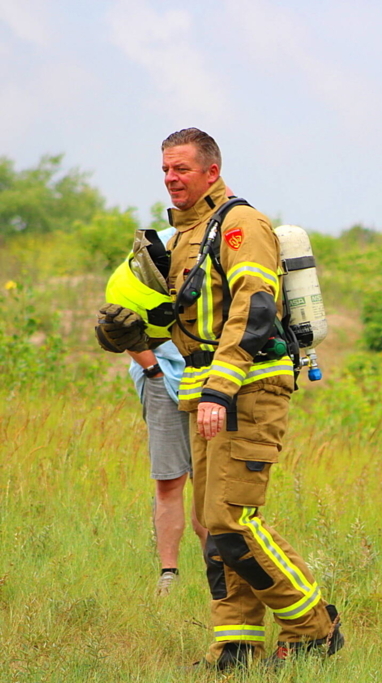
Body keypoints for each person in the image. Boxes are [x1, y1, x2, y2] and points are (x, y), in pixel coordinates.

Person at [98, 127, 342, 670]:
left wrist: (221, 387)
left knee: (233, 520)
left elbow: (254, 307)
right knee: (214, 525)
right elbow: (183, 327)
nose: (171, 178)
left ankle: (314, 629)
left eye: (181, 168)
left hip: (248, 389)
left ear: (212, 170)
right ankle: (235, 645)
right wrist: (127, 335)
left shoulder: (239, 224)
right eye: (165, 169)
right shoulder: (185, 237)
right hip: (206, 392)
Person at [99, 238, 208, 595]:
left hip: (210, 370)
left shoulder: (202, 259)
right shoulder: (123, 282)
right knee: (169, 479)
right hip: (159, 370)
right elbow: (120, 331)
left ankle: (217, 568)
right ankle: (169, 574)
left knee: (209, 480)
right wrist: (155, 374)